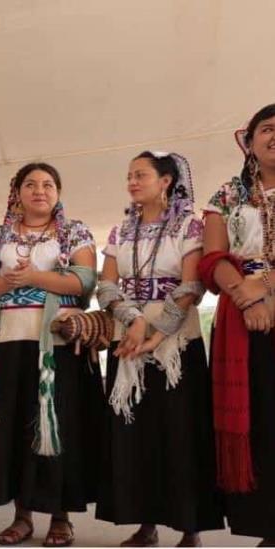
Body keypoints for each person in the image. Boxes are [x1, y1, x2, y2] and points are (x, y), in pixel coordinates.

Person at [0, 162, 102, 547]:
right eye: (30, 184)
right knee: (15, 426)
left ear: (57, 191)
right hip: (7, 343)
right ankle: (21, 516)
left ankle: (61, 518)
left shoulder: (74, 231)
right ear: (17, 192)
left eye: (47, 184)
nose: (39, 190)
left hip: (57, 347)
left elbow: (84, 279)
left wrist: (33, 279)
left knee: (58, 427)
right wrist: (5, 281)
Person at [96, 152, 223, 546]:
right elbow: (107, 286)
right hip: (128, 341)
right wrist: (133, 321)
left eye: (141, 175)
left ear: (166, 180)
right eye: (129, 175)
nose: (132, 181)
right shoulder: (120, 231)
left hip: (176, 343)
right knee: (135, 432)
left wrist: (155, 332)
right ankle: (145, 523)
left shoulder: (189, 225)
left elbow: (191, 287)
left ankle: (190, 527)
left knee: (181, 432)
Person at [200, 104, 275, 546]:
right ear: (249, 141)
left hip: (259, 290)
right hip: (239, 312)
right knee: (260, 415)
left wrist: (264, 285)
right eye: (267, 129)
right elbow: (211, 258)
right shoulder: (227, 194)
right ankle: (267, 524)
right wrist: (245, 297)